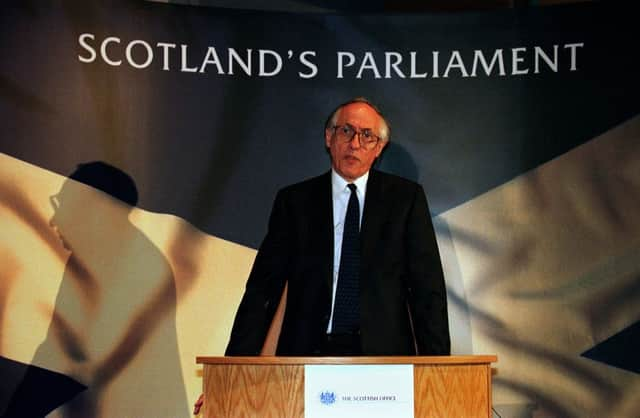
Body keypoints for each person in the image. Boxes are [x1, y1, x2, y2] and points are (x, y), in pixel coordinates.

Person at [225, 98, 450, 357]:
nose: (355, 143)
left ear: (379, 148)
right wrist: (231, 368)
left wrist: (439, 367)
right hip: (307, 354)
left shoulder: (405, 200)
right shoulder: (295, 201)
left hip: (383, 358)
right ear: (329, 138)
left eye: (367, 136)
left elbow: (427, 291)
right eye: (346, 131)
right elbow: (262, 289)